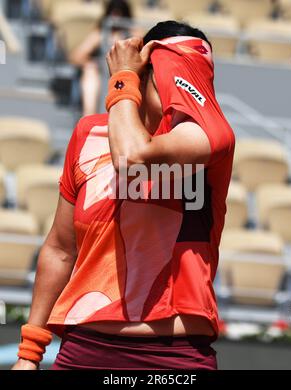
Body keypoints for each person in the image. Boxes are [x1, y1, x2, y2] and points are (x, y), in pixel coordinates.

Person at [12, 20, 235, 370]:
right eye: (172, 82)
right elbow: (60, 248)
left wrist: (121, 79)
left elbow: (131, 157)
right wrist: (29, 353)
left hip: (174, 357)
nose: (183, 95)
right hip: (84, 350)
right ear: (145, 74)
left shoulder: (211, 136)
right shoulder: (88, 134)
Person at [70, 0, 134, 116]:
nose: (116, 18)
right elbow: (76, 56)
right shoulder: (100, 34)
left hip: (125, 75)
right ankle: (89, 117)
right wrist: (90, 63)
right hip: (102, 75)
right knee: (90, 72)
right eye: (113, 13)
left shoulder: (133, 35)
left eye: (119, 14)